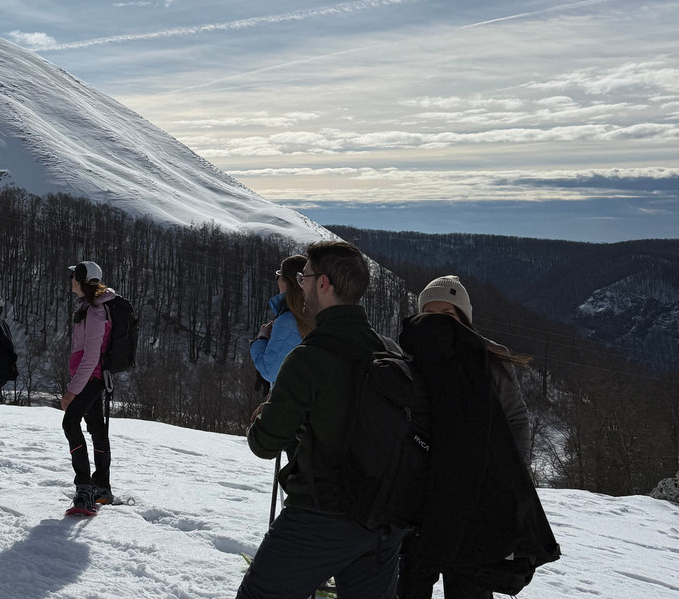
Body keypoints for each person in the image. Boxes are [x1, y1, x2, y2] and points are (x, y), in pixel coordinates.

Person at [237, 240, 406, 599]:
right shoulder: (390, 351)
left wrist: (265, 414)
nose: (300, 285)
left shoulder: (308, 357)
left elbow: (265, 443)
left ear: (324, 283)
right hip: (384, 519)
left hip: (320, 516)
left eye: (305, 277)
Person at [397, 275, 553, 599]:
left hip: (474, 496)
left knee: (469, 583)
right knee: (411, 582)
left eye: (448, 314)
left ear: (464, 319)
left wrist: (512, 476)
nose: (438, 322)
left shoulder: (490, 359)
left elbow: (515, 419)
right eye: (429, 313)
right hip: (417, 495)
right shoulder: (406, 356)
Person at [61, 260, 118, 514]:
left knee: (70, 423)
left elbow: (92, 356)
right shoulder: (88, 307)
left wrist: (72, 390)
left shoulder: (95, 312)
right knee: (96, 428)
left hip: (91, 379)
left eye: (74, 275)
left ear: (82, 279)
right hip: (90, 378)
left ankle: (84, 489)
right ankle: (101, 487)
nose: (70, 279)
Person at [250, 254, 309, 387]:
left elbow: (270, 371)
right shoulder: (312, 312)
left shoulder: (289, 320)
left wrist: (261, 340)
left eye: (279, 275)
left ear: (286, 280)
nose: (277, 279)